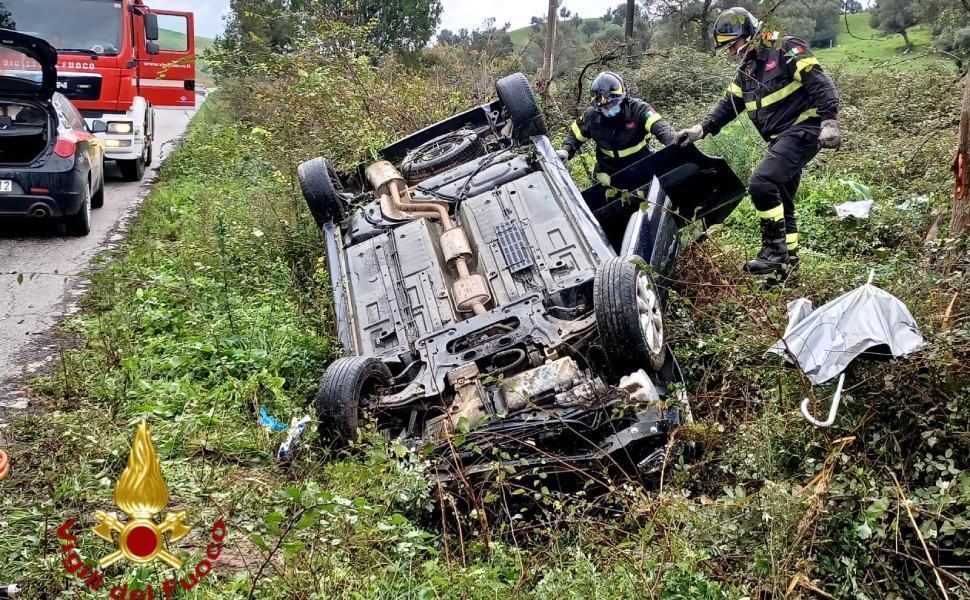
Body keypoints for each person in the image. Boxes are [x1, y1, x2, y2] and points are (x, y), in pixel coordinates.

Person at [675, 7, 841, 277]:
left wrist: (830, 121)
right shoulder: (746, 71)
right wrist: (699, 129)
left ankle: (773, 252)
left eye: (732, 45)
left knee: (761, 182)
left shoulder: (784, 46)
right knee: (783, 203)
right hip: (779, 140)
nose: (730, 52)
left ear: (748, 34)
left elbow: (819, 81)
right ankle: (788, 270)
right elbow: (728, 106)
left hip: (803, 129)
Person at [559, 71, 677, 186]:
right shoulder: (592, 116)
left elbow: (661, 128)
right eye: (604, 107)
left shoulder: (639, 109)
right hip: (608, 173)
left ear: (623, 98)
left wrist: (675, 140)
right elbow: (575, 133)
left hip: (642, 166)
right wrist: (566, 150)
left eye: (612, 104)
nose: (608, 109)